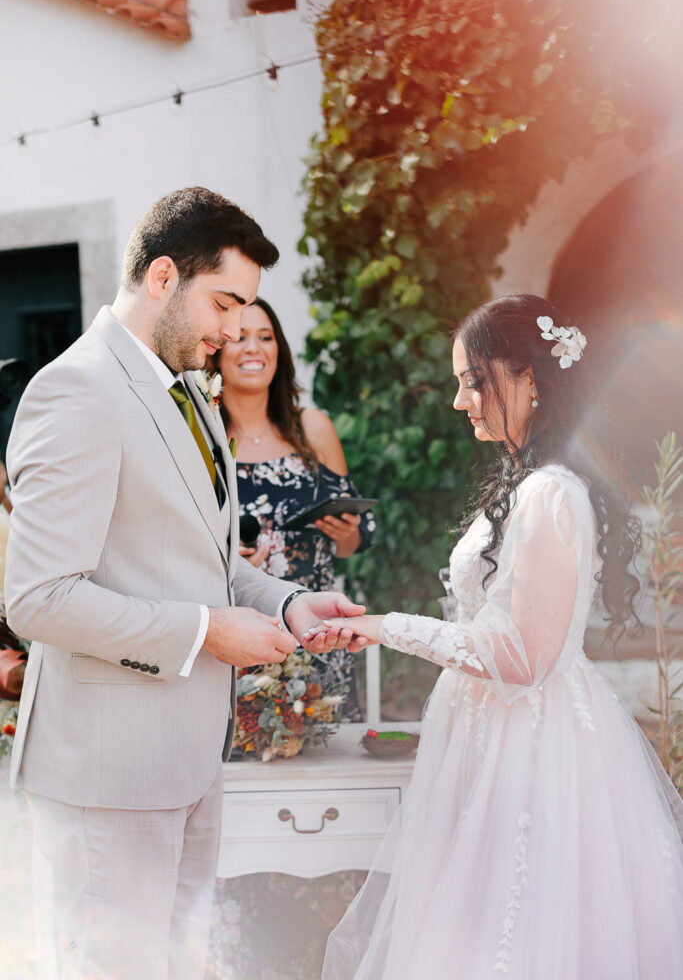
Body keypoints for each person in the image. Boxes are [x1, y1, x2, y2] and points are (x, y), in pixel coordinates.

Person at [3, 186, 364, 980]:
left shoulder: (184, 393)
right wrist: (207, 632)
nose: (237, 328)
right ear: (162, 277)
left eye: (248, 308)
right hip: (106, 777)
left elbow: (200, 554)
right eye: (226, 301)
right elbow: (38, 596)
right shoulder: (76, 390)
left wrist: (286, 602)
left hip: (189, 762)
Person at [305, 294, 683, 979]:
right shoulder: (526, 485)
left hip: (531, 749)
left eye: (473, 381)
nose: (460, 401)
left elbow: (521, 659)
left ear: (530, 378)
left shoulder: (548, 494)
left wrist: (385, 627)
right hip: (492, 738)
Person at [214, 297, 375, 719]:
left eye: (265, 337)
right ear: (217, 348)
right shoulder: (204, 440)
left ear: (279, 351)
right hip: (242, 640)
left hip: (318, 637)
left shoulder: (313, 427)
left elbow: (356, 541)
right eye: (240, 336)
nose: (253, 348)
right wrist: (233, 561)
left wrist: (346, 534)